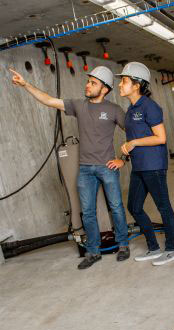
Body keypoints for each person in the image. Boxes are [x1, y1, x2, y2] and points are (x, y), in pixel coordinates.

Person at [9, 66, 130, 269]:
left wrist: (123, 159)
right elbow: (49, 101)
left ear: (105, 89)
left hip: (107, 166)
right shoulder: (78, 106)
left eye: (93, 83)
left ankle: (124, 245)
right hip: (84, 169)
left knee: (117, 207)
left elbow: (134, 134)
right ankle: (93, 251)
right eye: (88, 81)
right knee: (88, 212)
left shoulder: (114, 110)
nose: (88, 85)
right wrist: (26, 84)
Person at [117, 62, 174, 266]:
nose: (120, 85)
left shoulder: (150, 107)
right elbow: (135, 138)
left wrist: (133, 142)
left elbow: (160, 138)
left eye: (124, 81)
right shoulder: (130, 110)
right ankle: (153, 247)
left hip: (154, 166)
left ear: (137, 85)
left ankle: (171, 249)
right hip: (139, 166)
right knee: (134, 206)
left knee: (163, 207)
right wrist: (126, 153)